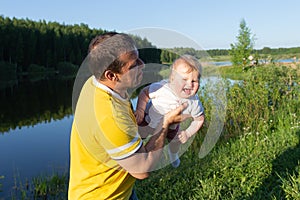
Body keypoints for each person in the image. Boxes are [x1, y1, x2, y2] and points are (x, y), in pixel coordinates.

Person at [68, 32, 190, 200]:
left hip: (119, 190)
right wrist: (165, 123)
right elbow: (142, 169)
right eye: (133, 65)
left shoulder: (96, 82)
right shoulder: (109, 117)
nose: (142, 65)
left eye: (139, 58)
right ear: (111, 75)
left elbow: (128, 132)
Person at [135, 55, 205, 168]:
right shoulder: (161, 88)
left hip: (172, 126)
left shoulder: (194, 102)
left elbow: (199, 119)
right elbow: (145, 93)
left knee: (176, 141)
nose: (189, 84)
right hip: (148, 120)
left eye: (194, 81)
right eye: (184, 79)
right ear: (172, 79)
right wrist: (140, 110)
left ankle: (173, 155)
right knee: (139, 135)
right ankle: (135, 155)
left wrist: (188, 133)